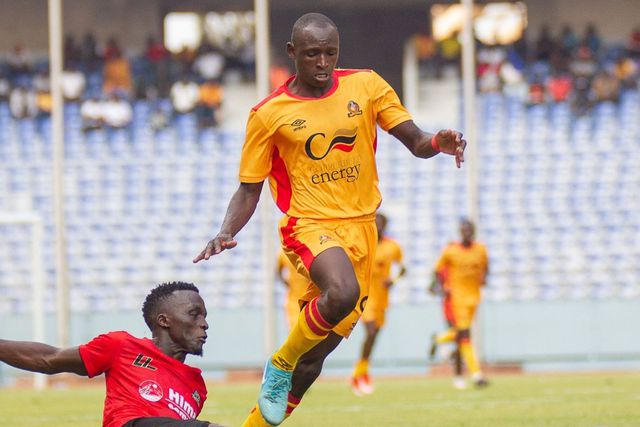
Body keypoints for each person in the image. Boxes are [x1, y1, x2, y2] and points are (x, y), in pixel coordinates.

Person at [193, 13, 466, 426]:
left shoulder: (367, 86)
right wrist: (225, 230)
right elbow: (249, 188)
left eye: (330, 53)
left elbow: (416, 141)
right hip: (309, 224)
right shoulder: (269, 114)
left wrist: (437, 142)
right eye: (312, 54)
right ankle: (279, 362)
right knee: (340, 293)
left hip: (362, 229)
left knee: (312, 362)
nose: (322, 62)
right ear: (292, 53)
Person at [0, 281, 226, 427]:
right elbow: (49, 359)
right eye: (194, 314)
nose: (204, 323)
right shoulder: (122, 346)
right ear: (163, 320)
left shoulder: (197, 387)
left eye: (204, 316)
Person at [428, 219, 489, 389]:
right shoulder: (451, 252)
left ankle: (439, 339)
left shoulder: (481, 249)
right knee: (464, 336)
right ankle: (476, 375)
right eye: (464, 230)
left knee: (460, 337)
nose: (467, 233)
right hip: (455, 301)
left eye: (469, 230)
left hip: (473, 298)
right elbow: (435, 274)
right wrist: (440, 288)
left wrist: (484, 278)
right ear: (460, 232)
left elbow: (486, 266)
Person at [350, 213, 406, 395]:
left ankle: (361, 372)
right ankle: (358, 375)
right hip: (364, 296)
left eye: (381, 223)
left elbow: (403, 268)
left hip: (382, 297)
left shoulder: (393, 247)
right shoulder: (362, 244)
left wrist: (393, 280)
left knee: (374, 336)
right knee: (371, 331)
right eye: (375, 223)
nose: (378, 226)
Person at [277, 249, 311, 331]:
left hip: (311, 299)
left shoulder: (309, 250)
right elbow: (278, 271)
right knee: (295, 330)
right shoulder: (283, 253)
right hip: (294, 301)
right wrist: (287, 283)